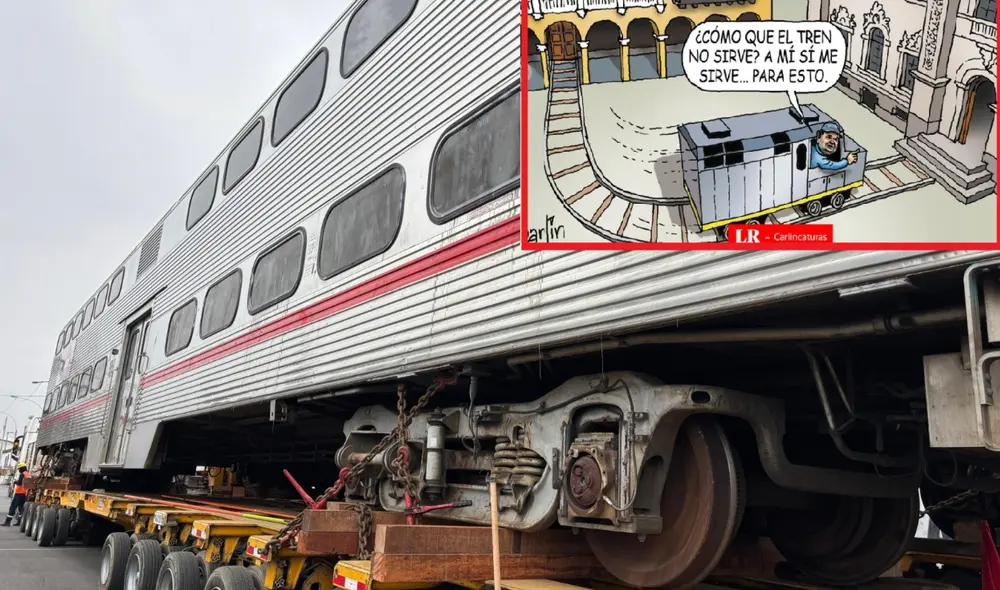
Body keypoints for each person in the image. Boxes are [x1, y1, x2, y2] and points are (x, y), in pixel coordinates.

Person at [2, 462, 29, 526]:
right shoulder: (28, 474)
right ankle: (19, 522)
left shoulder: (22, 474)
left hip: (19, 493)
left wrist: (15, 482)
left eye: (19, 468)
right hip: (25, 494)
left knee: (13, 507)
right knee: (21, 508)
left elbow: (19, 483)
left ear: (22, 468)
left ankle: (7, 522)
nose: (19, 470)